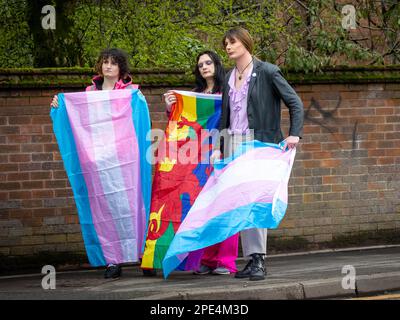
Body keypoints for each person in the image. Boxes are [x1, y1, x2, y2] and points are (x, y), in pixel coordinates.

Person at [50, 48, 155, 279]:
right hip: (99, 161)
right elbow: (76, 116)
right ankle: (113, 261)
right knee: (105, 211)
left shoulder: (131, 93)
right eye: (104, 62)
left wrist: (141, 102)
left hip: (126, 159)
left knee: (134, 204)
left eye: (113, 63)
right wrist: (59, 103)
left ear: (121, 68)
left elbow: (141, 121)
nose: (108, 66)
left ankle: (144, 256)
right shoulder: (89, 92)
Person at [211, 27, 304, 281]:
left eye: (232, 42)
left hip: (260, 144)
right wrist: (220, 148)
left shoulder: (268, 72)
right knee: (241, 202)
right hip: (234, 145)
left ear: (245, 43)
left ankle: (259, 260)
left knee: (256, 201)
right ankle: (252, 260)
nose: (228, 47)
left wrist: (294, 134)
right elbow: (226, 116)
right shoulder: (229, 76)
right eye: (226, 43)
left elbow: (295, 102)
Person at [162, 50, 239, 275]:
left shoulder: (229, 90)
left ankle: (225, 261)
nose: (204, 67)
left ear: (216, 64)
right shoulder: (195, 96)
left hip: (224, 152)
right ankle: (206, 259)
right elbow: (183, 124)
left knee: (224, 207)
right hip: (198, 160)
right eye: (200, 65)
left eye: (208, 62)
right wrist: (171, 107)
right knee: (203, 208)